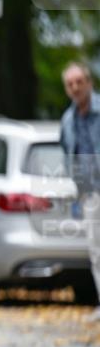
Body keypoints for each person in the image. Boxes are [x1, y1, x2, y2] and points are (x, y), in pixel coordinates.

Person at [59, 61, 100, 320]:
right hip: (91, 194)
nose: (75, 88)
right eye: (70, 84)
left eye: (79, 82)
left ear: (89, 83)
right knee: (97, 251)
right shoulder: (67, 120)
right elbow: (67, 155)